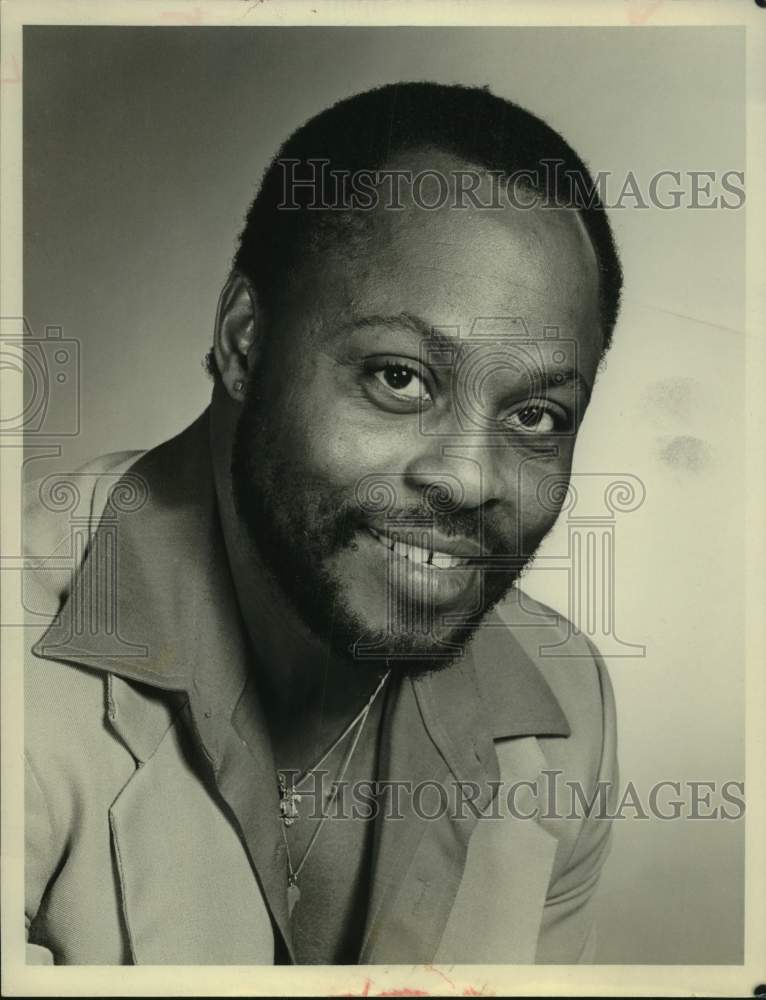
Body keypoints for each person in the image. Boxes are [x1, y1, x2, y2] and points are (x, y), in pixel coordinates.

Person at [24, 82, 621, 966]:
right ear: (242, 342)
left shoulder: (565, 712)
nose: (469, 477)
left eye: (535, 416)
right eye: (400, 377)